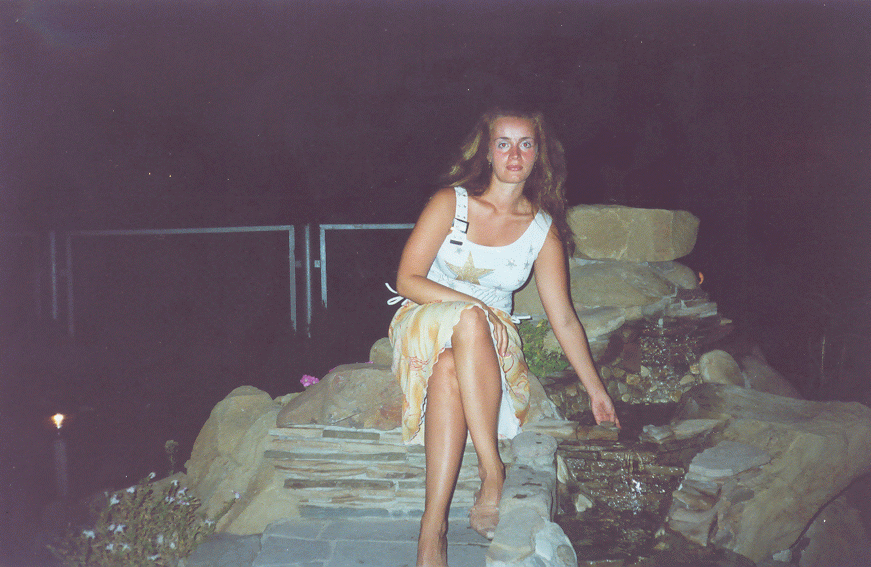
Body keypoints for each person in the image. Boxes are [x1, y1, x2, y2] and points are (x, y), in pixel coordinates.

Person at [388, 108, 620, 567]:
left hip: (491, 340)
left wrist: (597, 390)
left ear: (539, 154)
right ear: (487, 153)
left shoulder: (541, 230)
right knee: (470, 320)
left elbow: (564, 318)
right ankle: (492, 470)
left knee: (452, 366)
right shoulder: (450, 203)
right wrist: (474, 308)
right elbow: (407, 278)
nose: (515, 154)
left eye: (526, 144)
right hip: (425, 318)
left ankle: (432, 531)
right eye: (504, 143)